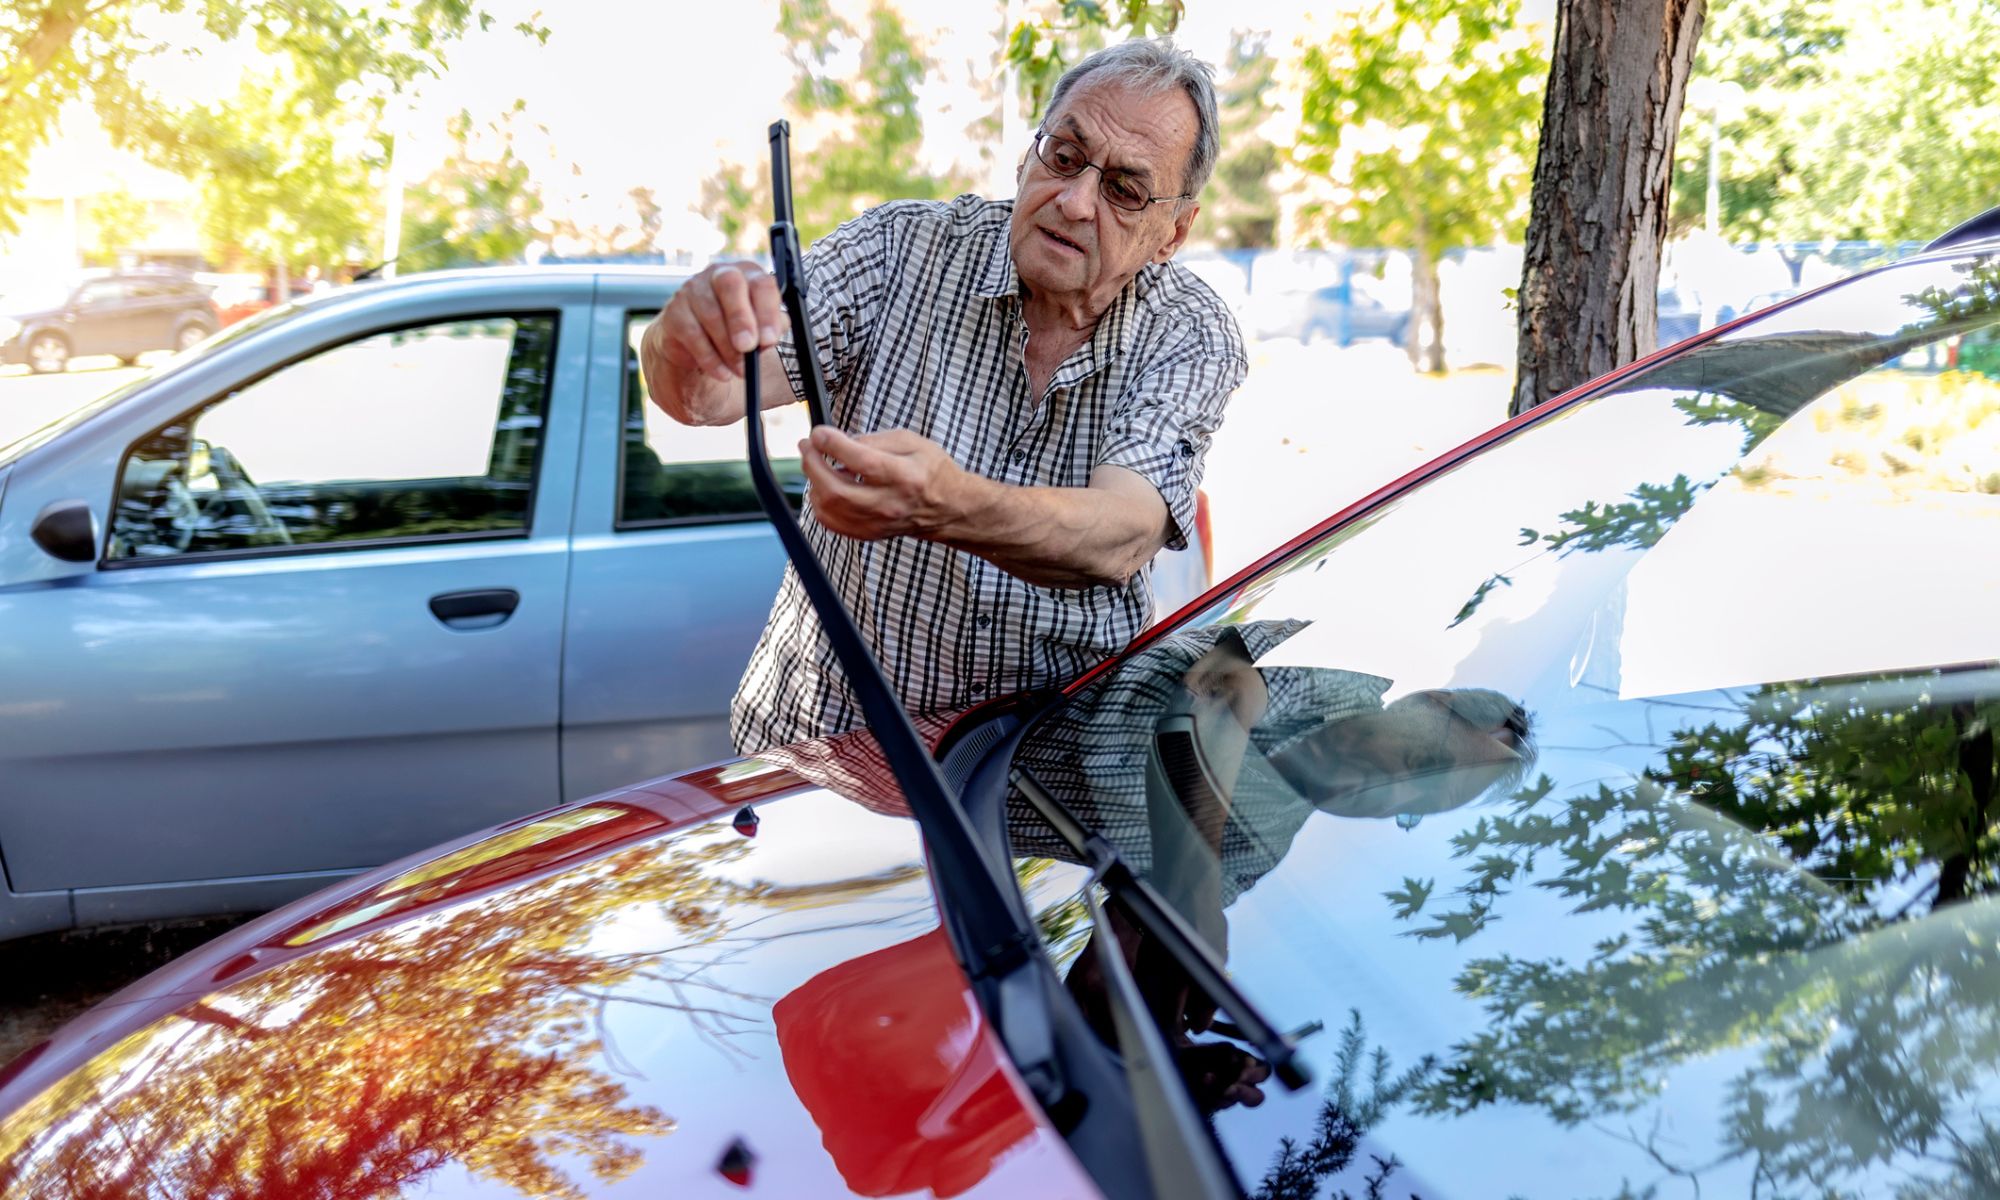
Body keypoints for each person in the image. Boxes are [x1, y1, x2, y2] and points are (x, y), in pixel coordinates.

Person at [641, 38, 1246, 753]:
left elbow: (1126, 530)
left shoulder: (1191, 331)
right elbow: (712, 394)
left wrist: (949, 504)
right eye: (1063, 156)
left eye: (1124, 190)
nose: (1076, 201)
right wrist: (680, 343)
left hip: (1039, 775)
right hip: (828, 753)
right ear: (1029, 156)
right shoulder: (905, 249)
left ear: (1172, 232)